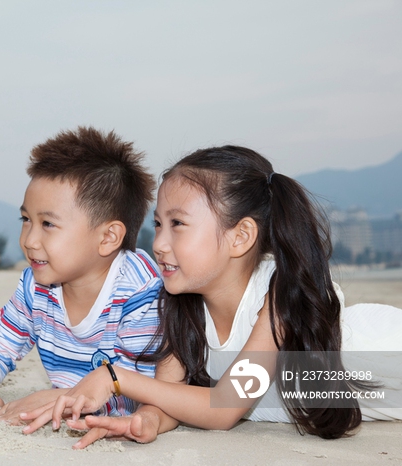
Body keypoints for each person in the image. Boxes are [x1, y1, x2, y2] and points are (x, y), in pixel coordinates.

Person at [20, 145, 402, 448]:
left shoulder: (279, 299)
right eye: (157, 224)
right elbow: (171, 395)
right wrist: (147, 420)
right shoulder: (182, 305)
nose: (160, 243)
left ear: (240, 237)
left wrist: (115, 378)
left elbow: (225, 408)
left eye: (178, 225)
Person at [0, 126, 164, 423]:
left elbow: (140, 393)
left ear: (108, 237)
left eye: (48, 224)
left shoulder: (140, 292)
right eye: (25, 219)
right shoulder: (36, 286)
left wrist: (60, 398)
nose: (29, 240)